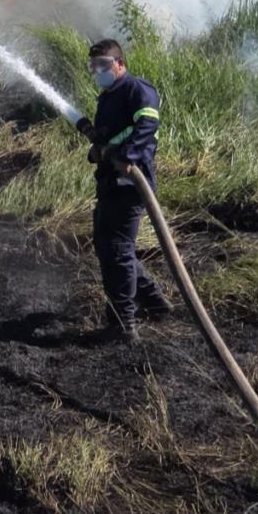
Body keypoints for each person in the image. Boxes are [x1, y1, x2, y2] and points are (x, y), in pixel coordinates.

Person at [75, 39, 172, 342]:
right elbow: (113, 136)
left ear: (119, 63)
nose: (98, 71)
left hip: (130, 183)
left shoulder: (137, 89)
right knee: (111, 248)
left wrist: (125, 157)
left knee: (116, 251)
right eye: (93, 67)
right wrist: (99, 149)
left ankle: (123, 324)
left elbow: (146, 126)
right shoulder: (108, 96)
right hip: (110, 183)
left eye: (103, 65)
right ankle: (155, 302)